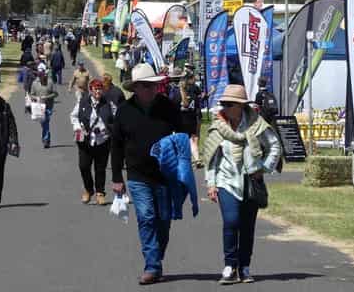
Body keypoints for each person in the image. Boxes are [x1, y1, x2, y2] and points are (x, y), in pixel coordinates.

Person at [111, 63, 196, 285]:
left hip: (165, 176)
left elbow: (184, 134)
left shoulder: (168, 107)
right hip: (137, 175)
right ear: (135, 88)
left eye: (152, 85)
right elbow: (116, 145)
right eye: (144, 86)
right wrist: (117, 178)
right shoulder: (124, 110)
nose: (149, 89)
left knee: (163, 221)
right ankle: (151, 265)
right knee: (146, 217)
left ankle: (155, 259)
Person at [204, 84, 282, 284]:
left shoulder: (257, 124)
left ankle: (244, 266)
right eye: (223, 104)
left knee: (247, 226)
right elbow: (212, 158)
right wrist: (211, 184)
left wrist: (263, 168)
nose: (225, 108)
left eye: (229, 104)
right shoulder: (218, 126)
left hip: (250, 180)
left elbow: (274, 145)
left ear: (240, 106)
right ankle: (230, 265)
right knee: (231, 221)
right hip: (226, 180)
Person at [70, 79, 116, 205]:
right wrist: (78, 128)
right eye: (95, 89)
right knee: (84, 166)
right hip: (85, 140)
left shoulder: (108, 103)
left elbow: (115, 117)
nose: (98, 91)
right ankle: (88, 190)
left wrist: (107, 129)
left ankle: (100, 192)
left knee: (100, 168)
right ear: (91, 90)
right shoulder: (83, 101)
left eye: (100, 89)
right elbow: (73, 116)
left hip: (102, 140)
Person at [30, 71, 59, 148]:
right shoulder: (35, 83)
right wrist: (36, 98)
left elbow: (56, 94)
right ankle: (46, 138)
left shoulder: (50, 82)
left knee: (46, 122)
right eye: (39, 77)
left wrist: (46, 97)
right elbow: (31, 94)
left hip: (48, 106)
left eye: (42, 76)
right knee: (43, 124)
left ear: (44, 76)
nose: (41, 78)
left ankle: (46, 140)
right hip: (39, 107)